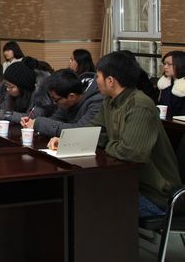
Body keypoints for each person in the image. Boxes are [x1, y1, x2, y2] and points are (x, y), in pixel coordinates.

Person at [47, 51, 180, 218]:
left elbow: (132, 152)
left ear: (110, 81)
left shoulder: (140, 105)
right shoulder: (110, 101)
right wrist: (66, 141)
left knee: (86, 200)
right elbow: (93, 132)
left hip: (155, 195)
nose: (95, 81)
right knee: (75, 193)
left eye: (98, 76)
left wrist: (109, 143)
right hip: (126, 182)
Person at [22, 69, 103, 136]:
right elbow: (56, 119)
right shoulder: (66, 99)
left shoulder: (97, 102)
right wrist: (33, 123)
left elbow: (79, 131)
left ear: (71, 96)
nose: (54, 103)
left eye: (56, 100)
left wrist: (39, 124)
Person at [157, 51, 185, 117]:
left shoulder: (182, 86)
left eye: (169, 64)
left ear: (180, 65)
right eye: (164, 64)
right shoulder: (165, 83)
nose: (165, 67)